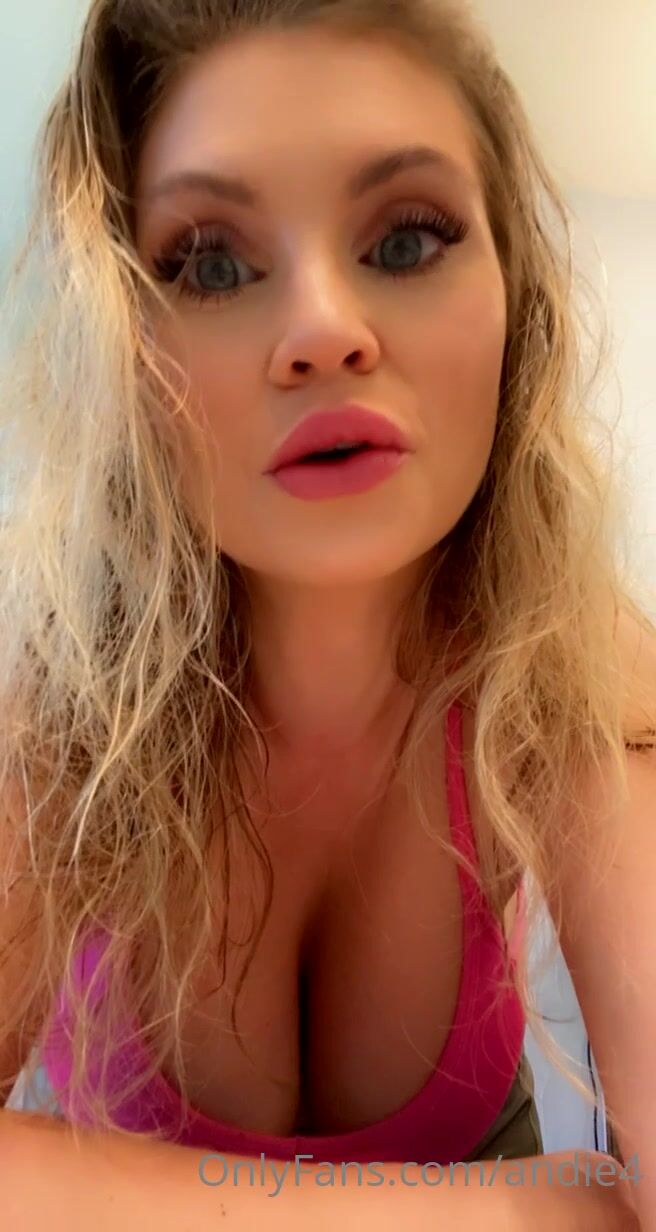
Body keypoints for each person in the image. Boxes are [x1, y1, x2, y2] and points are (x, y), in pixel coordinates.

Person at [0, 1, 653, 1228]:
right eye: (209, 262)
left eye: (404, 240)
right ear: (122, 344)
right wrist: (547, 1203)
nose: (321, 331)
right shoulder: (65, 702)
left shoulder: (570, 661)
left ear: (513, 290)